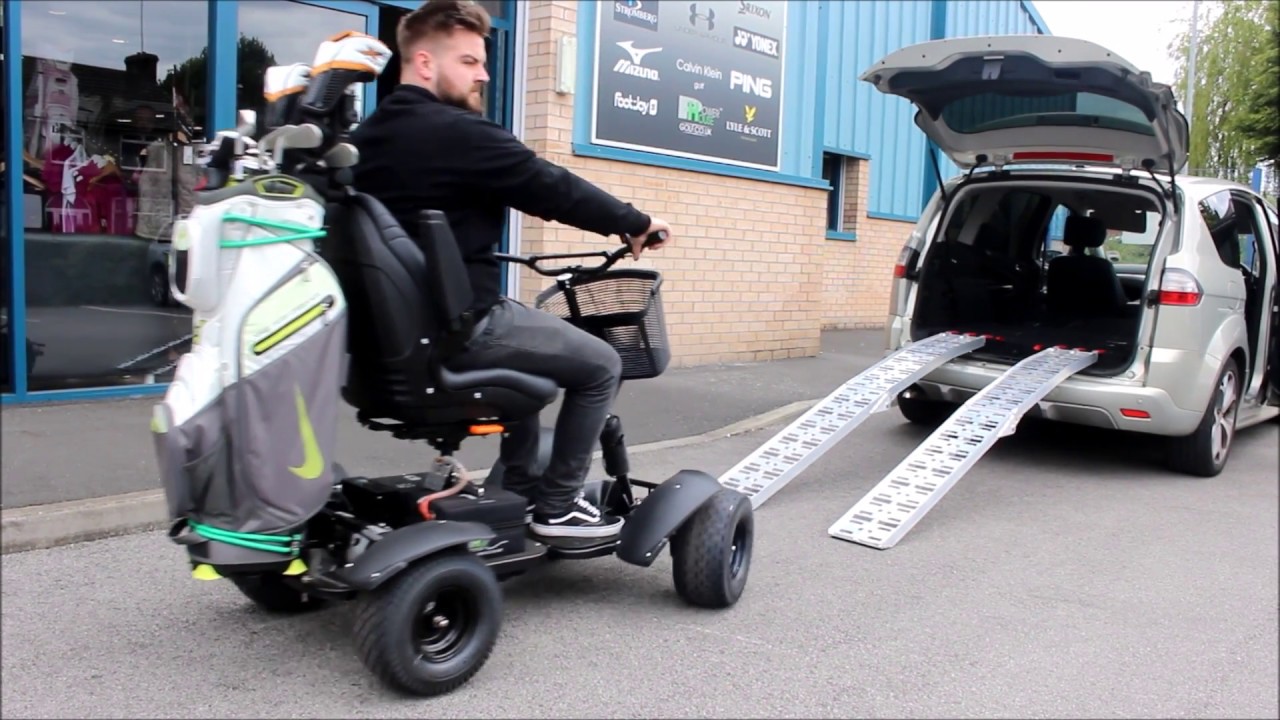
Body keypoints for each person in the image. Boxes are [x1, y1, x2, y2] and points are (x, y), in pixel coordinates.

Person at [350, 0, 672, 540]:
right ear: (425, 63)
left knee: (535, 356)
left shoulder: (363, 142)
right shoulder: (459, 133)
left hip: (387, 341)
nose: (482, 75)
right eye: (470, 62)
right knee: (599, 364)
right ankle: (559, 503)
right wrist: (634, 223)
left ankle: (520, 484)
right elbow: (547, 185)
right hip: (461, 326)